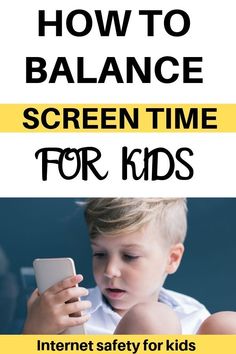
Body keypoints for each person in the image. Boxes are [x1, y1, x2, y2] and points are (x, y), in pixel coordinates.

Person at [23, 198, 210, 334]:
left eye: (130, 256)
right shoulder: (67, 315)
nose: (110, 271)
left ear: (172, 259)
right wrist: (35, 331)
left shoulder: (192, 315)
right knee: (151, 319)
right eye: (100, 254)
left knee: (228, 324)